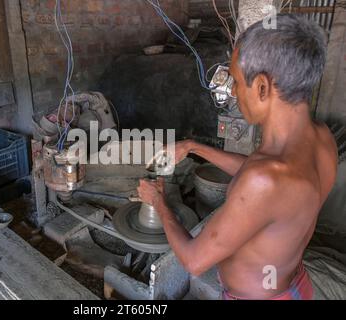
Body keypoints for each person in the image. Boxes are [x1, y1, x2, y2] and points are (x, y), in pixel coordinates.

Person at [137, 14, 338, 300]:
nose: (232, 91)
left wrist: (157, 200)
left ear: (261, 88)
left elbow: (194, 260)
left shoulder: (265, 178)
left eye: (236, 81)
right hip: (296, 287)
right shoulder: (321, 138)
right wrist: (194, 147)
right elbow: (272, 182)